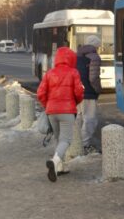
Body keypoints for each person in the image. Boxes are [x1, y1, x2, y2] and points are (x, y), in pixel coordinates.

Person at [37, 47, 84, 182]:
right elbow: (79, 92)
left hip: (52, 111)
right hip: (67, 111)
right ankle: (55, 161)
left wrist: (48, 105)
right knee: (66, 140)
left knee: (58, 139)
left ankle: (60, 167)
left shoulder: (49, 73)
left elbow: (40, 93)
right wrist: (75, 102)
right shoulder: (73, 72)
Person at [76, 35, 102, 155]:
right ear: (96, 45)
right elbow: (93, 78)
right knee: (90, 119)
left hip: (77, 92)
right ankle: (85, 145)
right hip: (88, 92)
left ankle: (76, 144)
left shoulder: (77, 55)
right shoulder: (94, 57)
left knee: (79, 118)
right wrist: (98, 89)